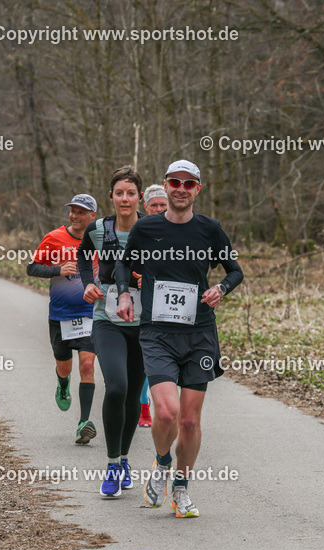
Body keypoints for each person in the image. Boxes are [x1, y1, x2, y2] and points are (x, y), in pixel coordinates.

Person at [115, 160, 243, 518]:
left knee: (189, 421)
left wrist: (221, 288)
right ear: (166, 186)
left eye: (189, 184)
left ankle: (182, 488)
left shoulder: (209, 229)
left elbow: (235, 270)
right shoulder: (147, 228)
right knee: (167, 412)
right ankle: (161, 465)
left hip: (200, 333)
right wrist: (124, 294)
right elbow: (124, 264)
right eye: (175, 182)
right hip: (157, 332)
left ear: (197, 189)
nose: (181, 189)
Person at [77, 167, 146, 497]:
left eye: (131, 193)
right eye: (119, 192)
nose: (125, 198)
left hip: (145, 322)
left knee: (133, 394)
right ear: (111, 196)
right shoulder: (98, 229)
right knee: (116, 386)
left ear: (139, 197)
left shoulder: (151, 229)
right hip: (107, 319)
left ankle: (125, 458)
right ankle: (112, 464)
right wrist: (88, 282)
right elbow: (80, 256)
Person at [26, 194, 98, 445]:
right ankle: (63, 384)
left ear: (93, 216)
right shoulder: (54, 238)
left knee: (87, 366)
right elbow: (32, 268)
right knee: (65, 367)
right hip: (60, 316)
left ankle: (84, 423)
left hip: (90, 314)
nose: (75, 216)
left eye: (81, 212)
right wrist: (58, 269)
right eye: (72, 211)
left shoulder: (99, 240)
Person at [137, 183, 168, 428]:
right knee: (141, 354)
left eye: (162, 205)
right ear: (145, 207)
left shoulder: (181, 228)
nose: (158, 209)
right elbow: (125, 261)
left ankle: (148, 404)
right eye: (154, 205)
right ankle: (141, 403)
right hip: (139, 299)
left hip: (167, 303)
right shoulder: (140, 229)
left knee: (155, 356)